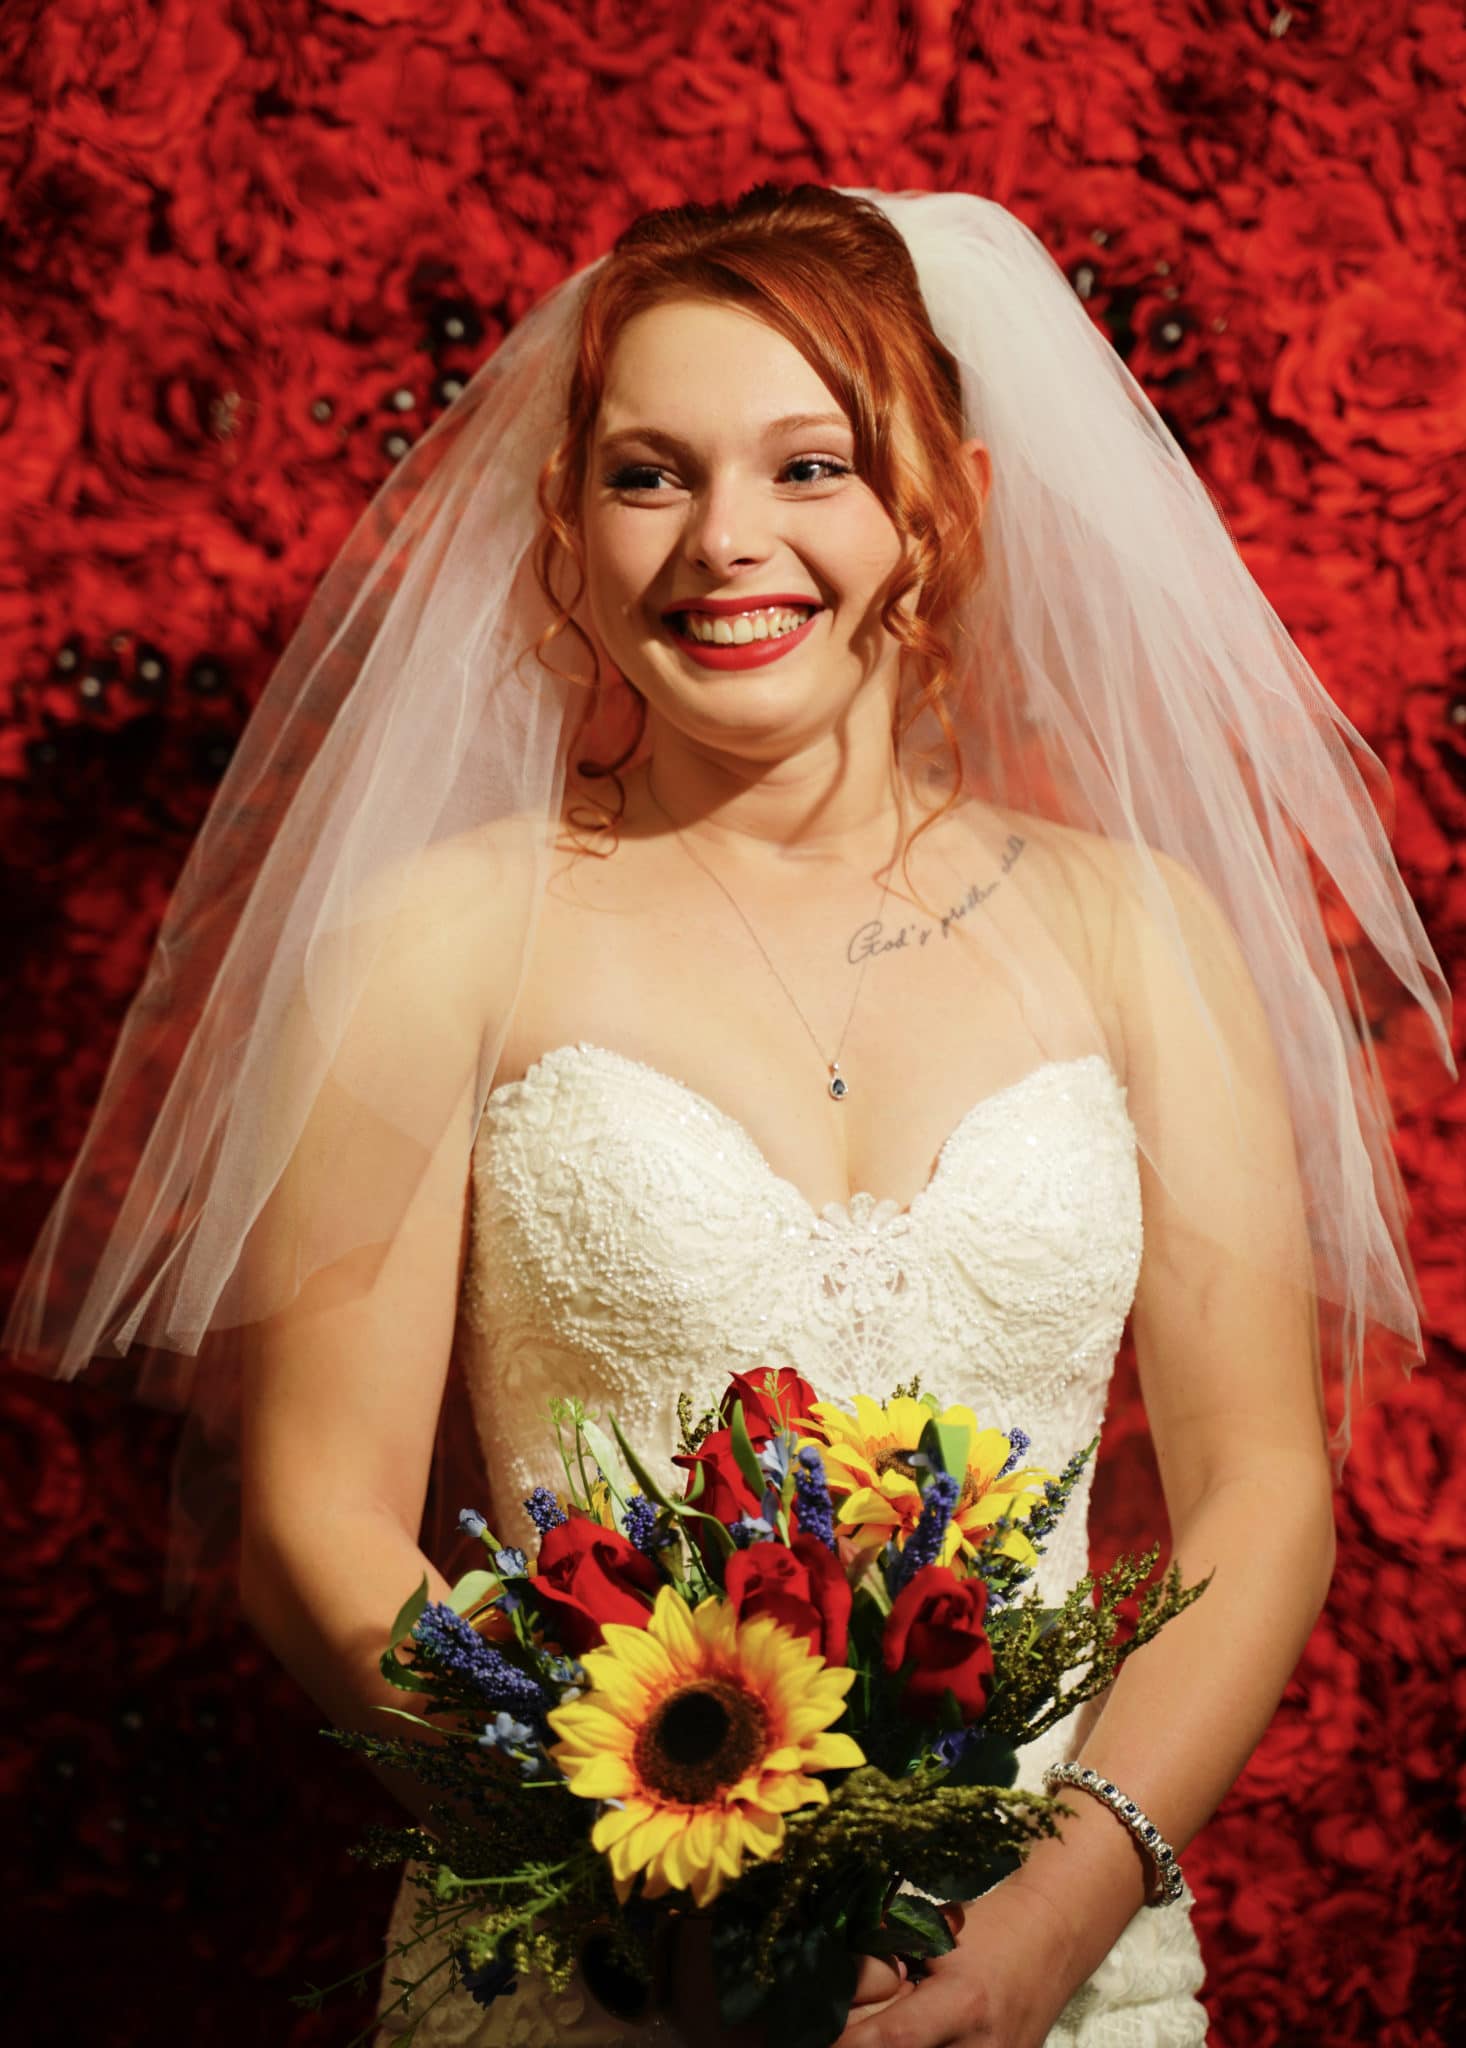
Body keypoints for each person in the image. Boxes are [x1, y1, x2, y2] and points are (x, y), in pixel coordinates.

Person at [5, 185, 1454, 2048]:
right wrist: (624, 1875)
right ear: (569, 529)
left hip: (1045, 1964)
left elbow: (1257, 1496)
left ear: (952, 501)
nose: (725, 543)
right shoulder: (434, 936)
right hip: (590, 1964)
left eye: (810, 465)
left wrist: (1049, 1920)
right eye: (648, 475)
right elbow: (314, 1515)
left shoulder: (1138, 933)